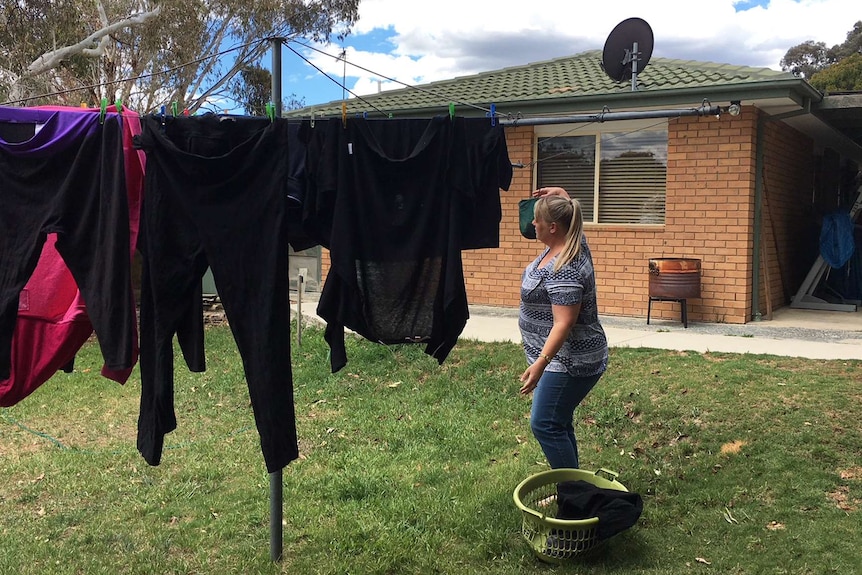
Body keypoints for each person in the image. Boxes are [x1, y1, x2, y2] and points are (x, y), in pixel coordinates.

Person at [518, 186, 608, 469]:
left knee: (545, 424)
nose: (533, 224)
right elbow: (573, 222)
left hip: (568, 362)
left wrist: (541, 363)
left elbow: (564, 322)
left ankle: (573, 499)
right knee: (558, 422)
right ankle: (574, 490)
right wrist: (564, 195)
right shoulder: (573, 243)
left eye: (537, 220)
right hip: (561, 359)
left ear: (553, 227)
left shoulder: (564, 266)